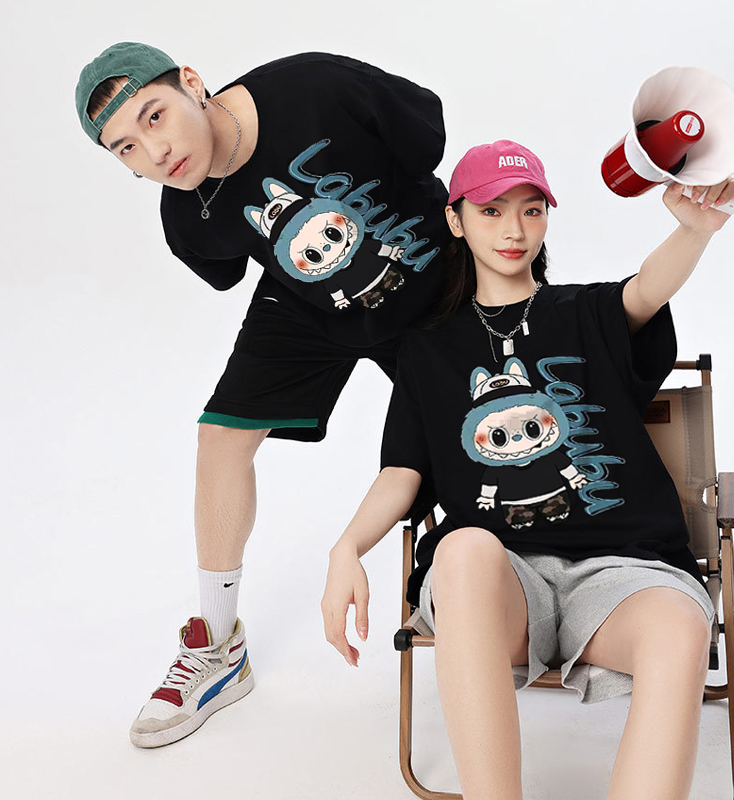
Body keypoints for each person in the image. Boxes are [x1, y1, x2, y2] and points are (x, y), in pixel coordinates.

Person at [321, 139, 733, 799]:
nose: (514, 230)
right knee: (462, 549)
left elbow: (647, 288)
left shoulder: (588, 314)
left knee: (681, 629)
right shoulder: (428, 349)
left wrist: (694, 231)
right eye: (491, 211)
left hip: (625, 575)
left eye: (531, 210)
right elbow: (402, 471)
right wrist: (346, 548)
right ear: (456, 219)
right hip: (499, 586)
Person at [74, 42, 449, 748]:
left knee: (486, 430)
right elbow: (225, 269)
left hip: (428, 273)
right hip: (305, 299)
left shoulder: (314, 88)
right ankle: (219, 648)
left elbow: (426, 130)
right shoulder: (187, 216)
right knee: (220, 437)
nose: (156, 152)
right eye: (126, 148)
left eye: (155, 117)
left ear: (192, 83)